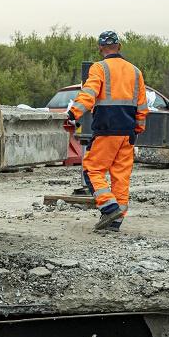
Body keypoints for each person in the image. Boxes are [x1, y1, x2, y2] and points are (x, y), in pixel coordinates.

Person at [66, 31, 148, 231]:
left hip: (106, 130)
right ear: (119, 47)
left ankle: (109, 207)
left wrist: (73, 113)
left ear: (100, 48)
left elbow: (89, 93)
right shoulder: (135, 71)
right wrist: (137, 128)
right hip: (128, 133)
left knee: (92, 169)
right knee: (121, 176)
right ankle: (116, 221)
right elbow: (142, 105)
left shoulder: (99, 68)